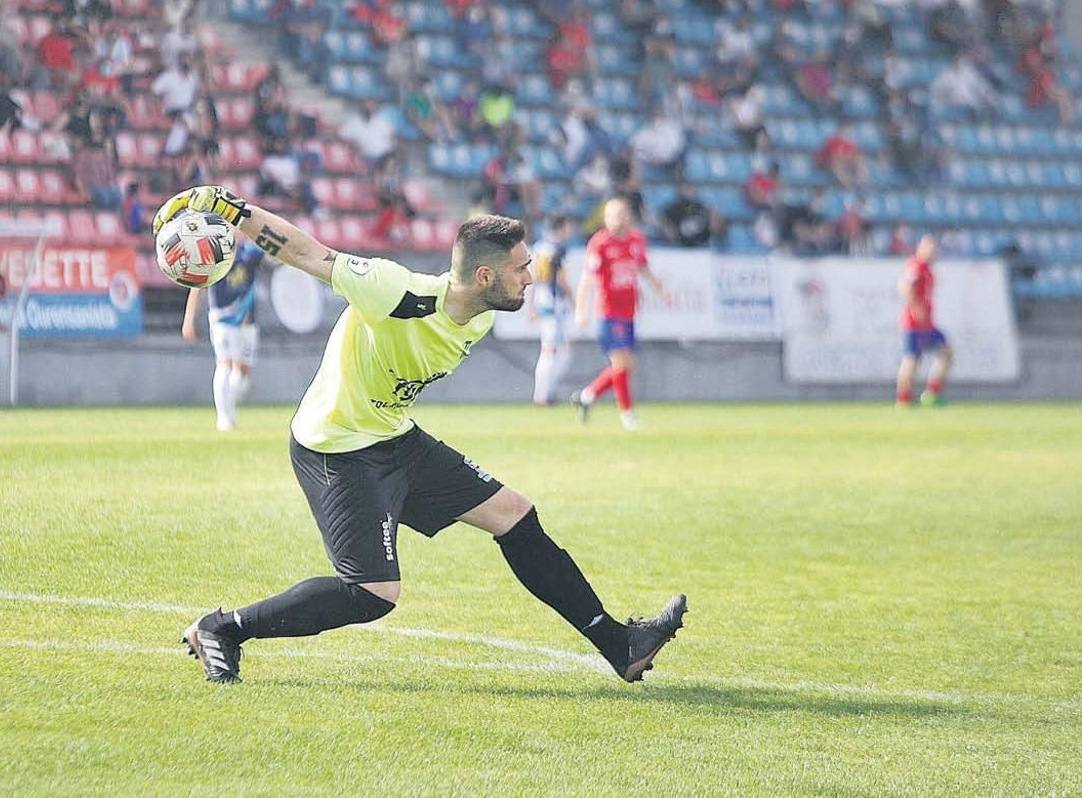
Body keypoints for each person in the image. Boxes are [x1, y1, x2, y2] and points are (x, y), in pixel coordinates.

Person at [153, 186, 688, 685]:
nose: (531, 277)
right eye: (522, 268)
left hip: (393, 436)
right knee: (372, 595)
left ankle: (620, 644)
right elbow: (308, 254)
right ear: (484, 276)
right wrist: (233, 210)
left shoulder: (480, 316)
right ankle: (223, 627)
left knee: (515, 515)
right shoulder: (393, 290)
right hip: (335, 447)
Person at [571, 199, 671, 430]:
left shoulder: (637, 240)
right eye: (613, 215)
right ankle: (627, 415)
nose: (618, 219)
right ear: (606, 218)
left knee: (626, 366)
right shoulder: (600, 243)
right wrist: (580, 309)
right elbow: (587, 279)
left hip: (629, 313)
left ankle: (587, 396)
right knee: (621, 363)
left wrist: (662, 292)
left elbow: (644, 270)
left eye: (622, 213)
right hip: (608, 312)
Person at [181, 239, 266, 432]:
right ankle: (224, 417)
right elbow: (198, 288)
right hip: (222, 320)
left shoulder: (251, 253)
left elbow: (274, 259)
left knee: (243, 373)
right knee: (225, 364)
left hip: (247, 321)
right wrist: (189, 319)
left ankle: (230, 409)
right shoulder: (212, 257)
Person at [896, 234, 954, 408]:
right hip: (914, 324)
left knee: (947, 353)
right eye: (930, 248)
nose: (933, 252)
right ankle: (903, 399)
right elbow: (904, 287)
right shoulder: (916, 266)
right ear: (921, 248)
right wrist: (915, 307)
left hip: (928, 324)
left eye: (935, 249)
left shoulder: (928, 269)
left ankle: (932, 394)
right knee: (911, 361)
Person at [530, 215, 574, 407]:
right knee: (553, 351)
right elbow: (562, 280)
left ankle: (546, 393)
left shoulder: (539, 247)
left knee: (558, 350)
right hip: (555, 304)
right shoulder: (558, 249)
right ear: (562, 227)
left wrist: (530, 305)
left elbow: (533, 278)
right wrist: (575, 301)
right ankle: (542, 396)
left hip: (543, 301)